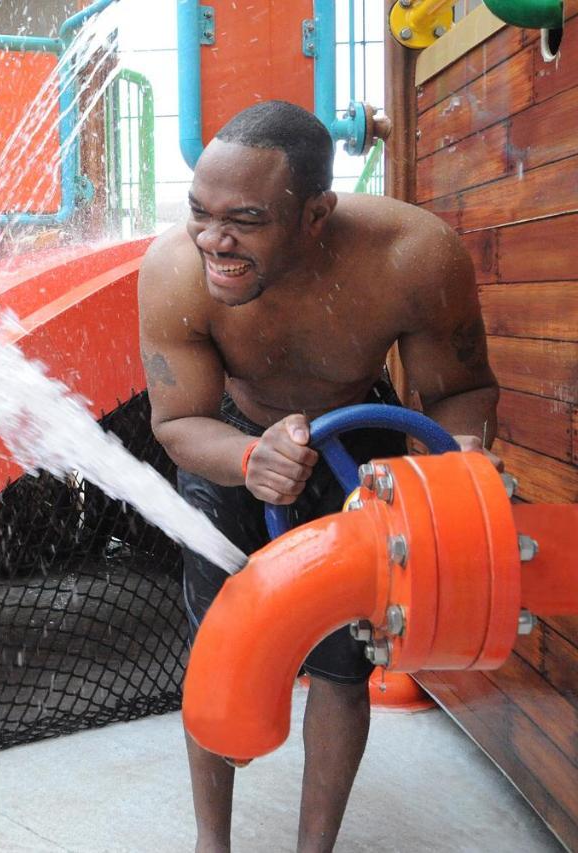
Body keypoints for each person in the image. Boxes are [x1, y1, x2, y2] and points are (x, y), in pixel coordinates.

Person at [137, 101, 499, 852]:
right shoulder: (176, 271)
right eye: (199, 212)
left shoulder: (413, 256)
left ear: (315, 214)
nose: (214, 240)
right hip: (230, 432)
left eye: (245, 220)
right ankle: (212, 844)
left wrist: (461, 458)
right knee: (219, 647)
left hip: (359, 429)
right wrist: (248, 458)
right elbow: (175, 424)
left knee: (342, 662)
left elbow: (462, 388)